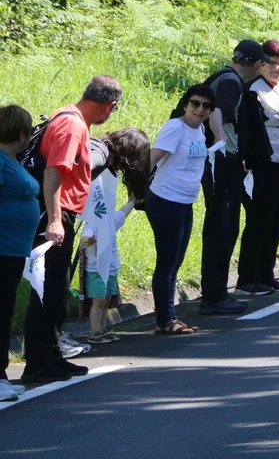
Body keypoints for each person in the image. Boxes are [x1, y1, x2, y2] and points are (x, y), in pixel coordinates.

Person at [22, 75, 122, 383]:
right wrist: (55, 220)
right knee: (50, 291)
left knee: (55, 290)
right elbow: (53, 172)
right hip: (54, 215)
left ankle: (50, 356)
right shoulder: (73, 125)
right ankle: (40, 361)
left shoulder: (67, 115)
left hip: (58, 213)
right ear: (110, 105)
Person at [200, 39, 266, 316]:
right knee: (223, 227)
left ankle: (215, 293)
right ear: (255, 64)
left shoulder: (223, 77)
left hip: (220, 161)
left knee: (221, 225)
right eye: (261, 64)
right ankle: (214, 295)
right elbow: (217, 111)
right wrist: (219, 139)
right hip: (222, 161)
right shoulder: (231, 82)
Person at [147, 84, 215, 336]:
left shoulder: (200, 131)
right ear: (186, 104)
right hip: (165, 199)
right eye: (195, 103)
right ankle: (165, 320)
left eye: (206, 106)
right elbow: (152, 158)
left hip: (185, 201)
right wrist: (138, 192)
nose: (200, 109)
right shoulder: (176, 128)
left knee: (175, 261)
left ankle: (169, 317)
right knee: (167, 262)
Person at [236, 40, 279, 295]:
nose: (276, 67)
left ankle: (266, 273)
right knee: (260, 219)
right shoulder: (254, 90)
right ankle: (247, 278)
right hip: (265, 163)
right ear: (261, 64)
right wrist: (247, 160)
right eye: (270, 63)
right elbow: (247, 129)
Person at [80, 128, 150, 343]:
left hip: (110, 265)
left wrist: (133, 201)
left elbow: (119, 217)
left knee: (107, 299)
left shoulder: (108, 217)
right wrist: (89, 240)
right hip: (95, 266)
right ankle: (95, 332)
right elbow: (85, 237)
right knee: (99, 301)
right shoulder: (95, 220)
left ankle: (101, 330)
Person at [0, 106, 40, 399]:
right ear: (22, 133)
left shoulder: (11, 160)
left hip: (13, 250)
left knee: (4, 310)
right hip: (3, 249)